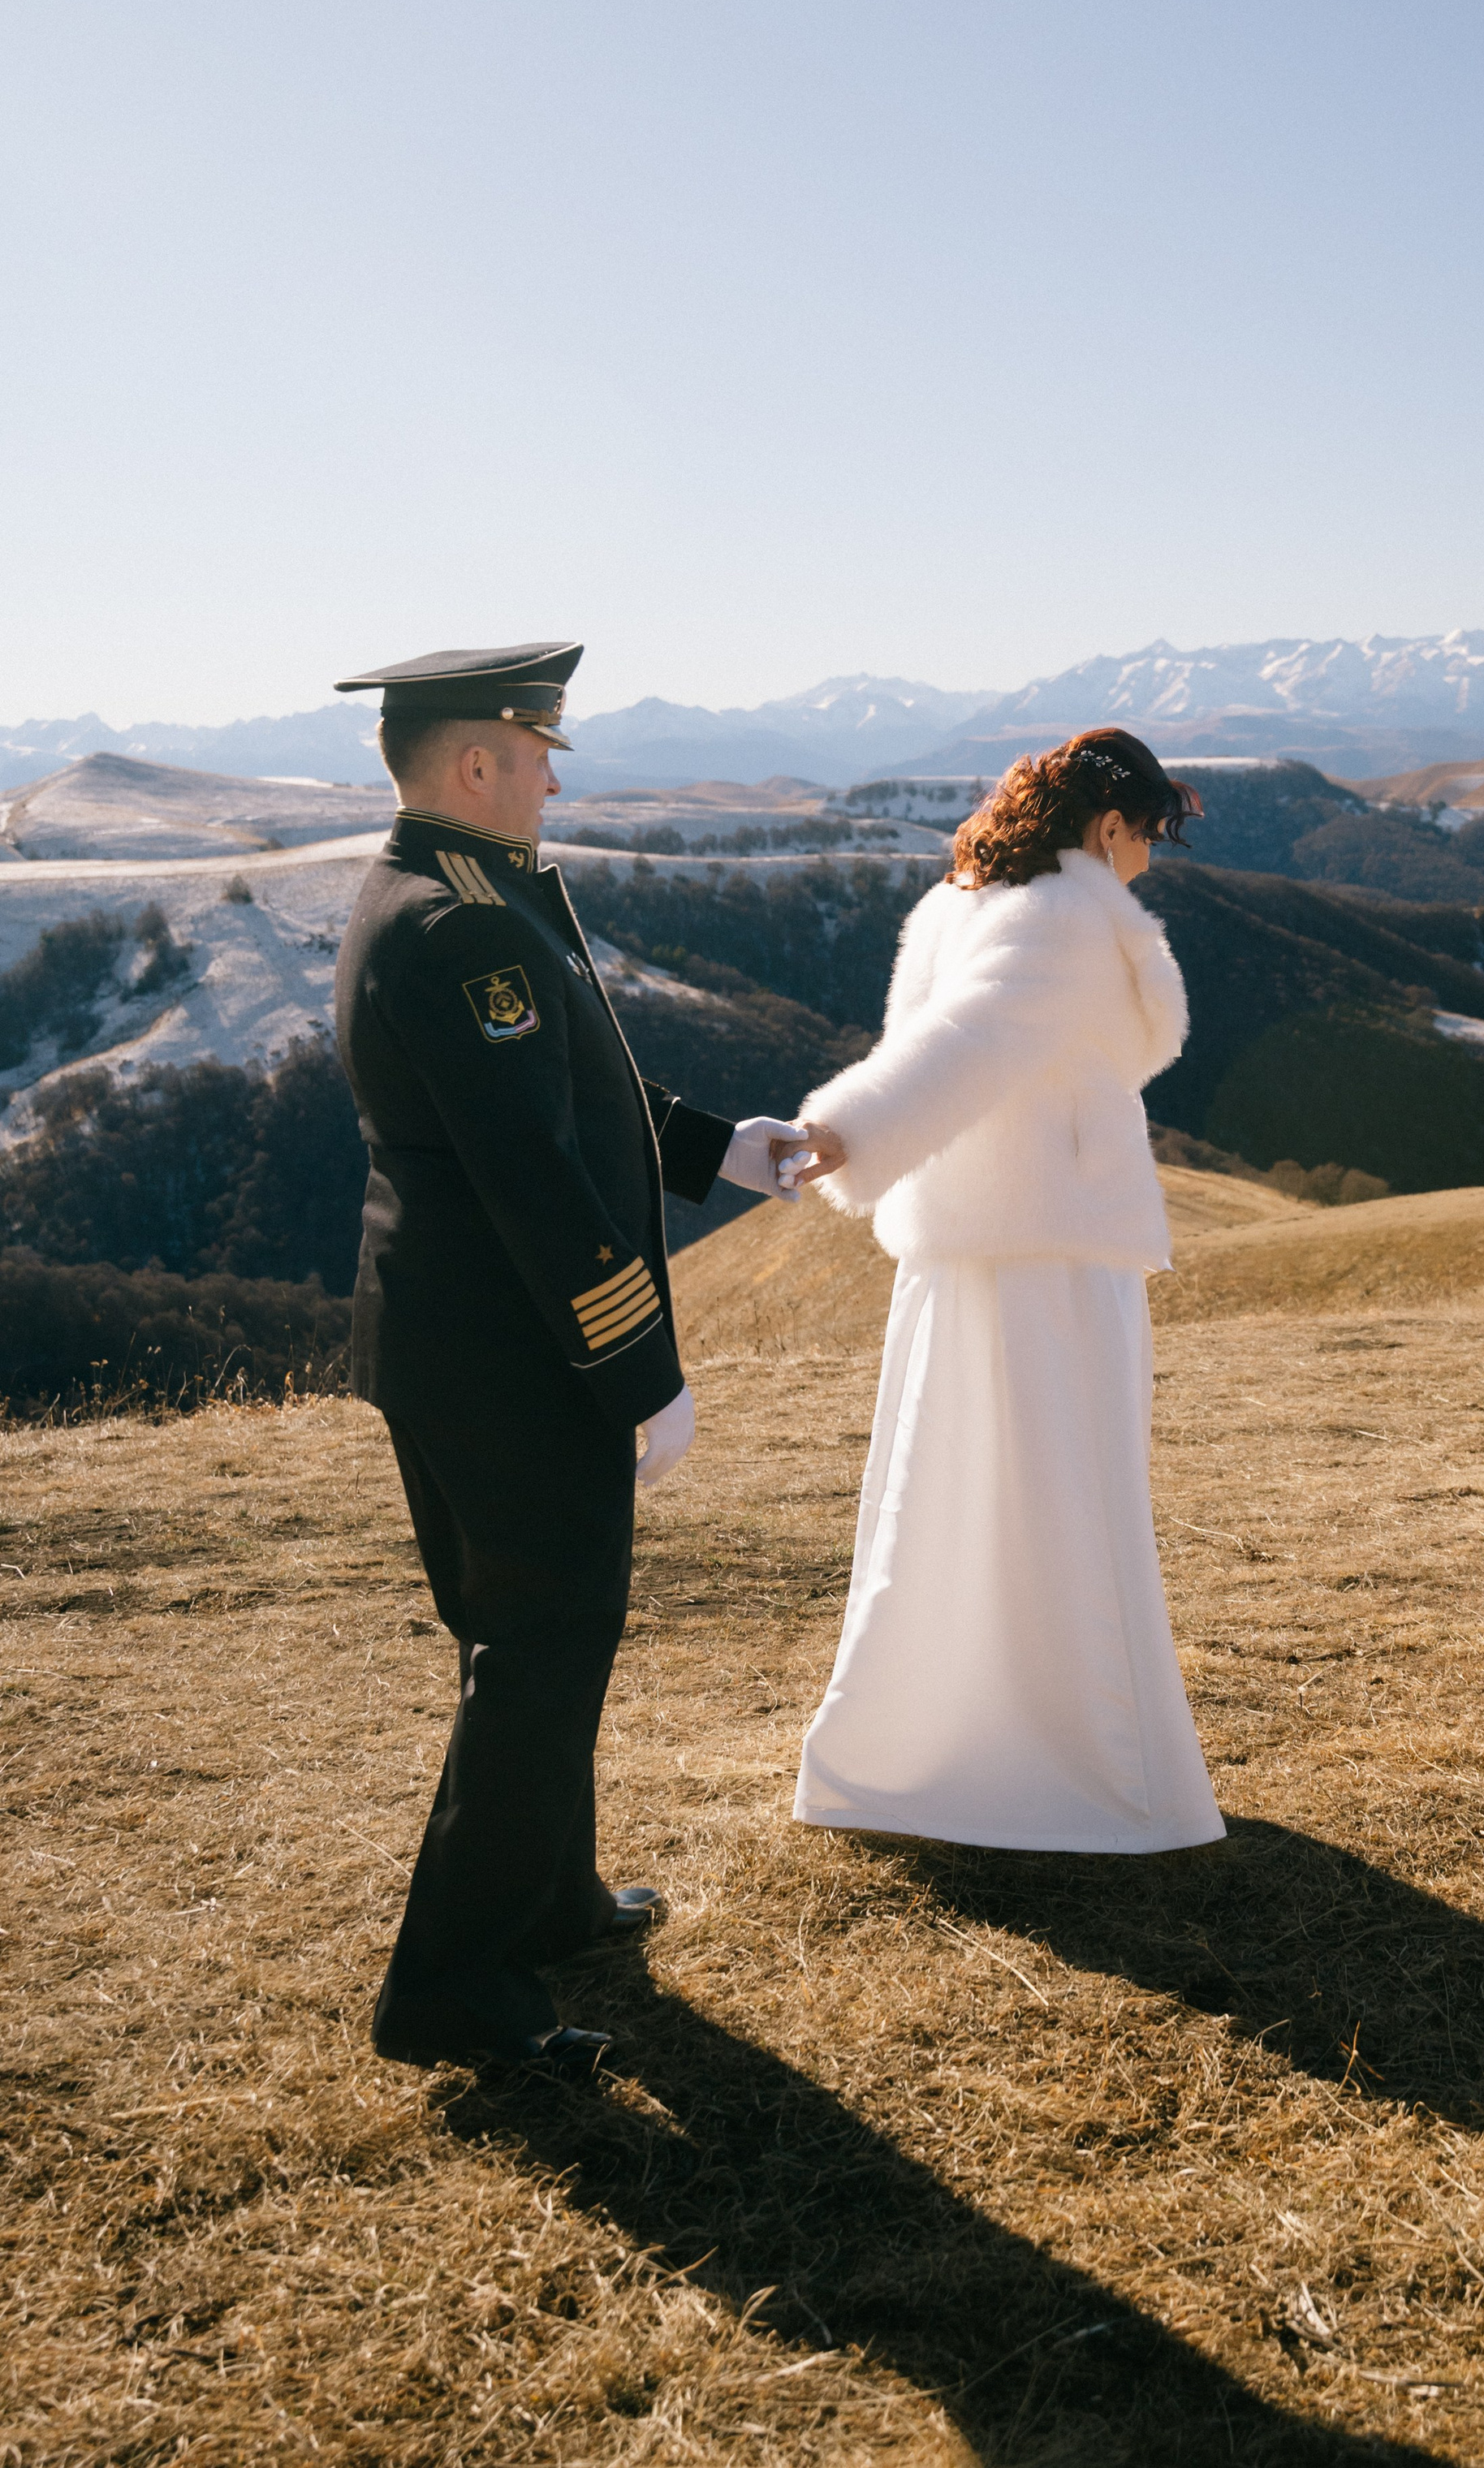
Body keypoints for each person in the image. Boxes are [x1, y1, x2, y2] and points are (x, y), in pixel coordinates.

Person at [331, 640, 818, 2078]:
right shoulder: (461, 927)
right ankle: (451, 1988)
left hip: (456, 1342)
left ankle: (549, 1898)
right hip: (512, 1358)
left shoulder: (447, 892)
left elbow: (574, 1084)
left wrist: (718, 1148)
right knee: (541, 1649)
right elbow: (535, 1176)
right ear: (478, 759)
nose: (553, 774)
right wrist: (640, 1371)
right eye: (540, 749)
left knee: (536, 1636)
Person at [787, 728, 1226, 1855]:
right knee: (1067, 1494)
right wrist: (846, 1130)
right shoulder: (1067, 915)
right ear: (1110, 825)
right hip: (1051, 1252)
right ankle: (1087, 1772)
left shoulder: (963, 905)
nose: (1148, 862)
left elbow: (945, 1043)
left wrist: (853, 1133)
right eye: (1149, 837)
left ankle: (929, 1747)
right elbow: (969, 1045)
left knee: (951, 1493)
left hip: (966, 1246)